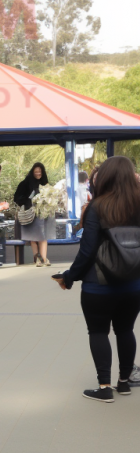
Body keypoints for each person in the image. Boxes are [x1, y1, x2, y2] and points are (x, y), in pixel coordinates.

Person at [53, 156, 140, 402]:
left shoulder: (97, 206)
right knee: (126, 329)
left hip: (98, 285)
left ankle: (104, 387)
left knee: (98, 332)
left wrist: (70, 277)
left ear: (107, 177)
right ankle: (124, 383)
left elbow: (87, 249)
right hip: (134, 284)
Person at [14, 162, 51, 266]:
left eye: (40, 171)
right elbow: (17, 198)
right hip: (30, 214)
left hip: (42, 214)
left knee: (43, 236)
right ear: (32, 172)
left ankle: (43, 258)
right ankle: (37, 258)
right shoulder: (25, 183)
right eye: (36, 171)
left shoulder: (45, 184)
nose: (38, 173)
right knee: (34, 237)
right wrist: (29, 202)